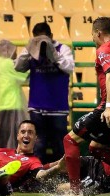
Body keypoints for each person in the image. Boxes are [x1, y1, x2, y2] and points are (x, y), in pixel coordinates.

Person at [62, 17, 110, 196]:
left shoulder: (104, 50)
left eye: (92, 35)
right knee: (96, 148)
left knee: (70, 140)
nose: (92, 39)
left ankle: (75, 192)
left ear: (98, 33)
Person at [14, 22, 75, 164]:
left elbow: (69, 68)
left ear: (51, 36)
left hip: (57, 108)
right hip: (37, 107)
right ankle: (35, 176)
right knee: (38, 146)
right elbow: (18, 67)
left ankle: (62, 177)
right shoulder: (31, 50)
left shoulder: (62, 49)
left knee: (59, 146)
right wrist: (29, 49)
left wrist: (53, 54)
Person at [0, 39, 29, 149]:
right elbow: (25, 75)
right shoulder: (8, 64)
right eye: (14, 52)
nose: (15, 54)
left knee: (3, 140)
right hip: (11, 106)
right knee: (14, 142)